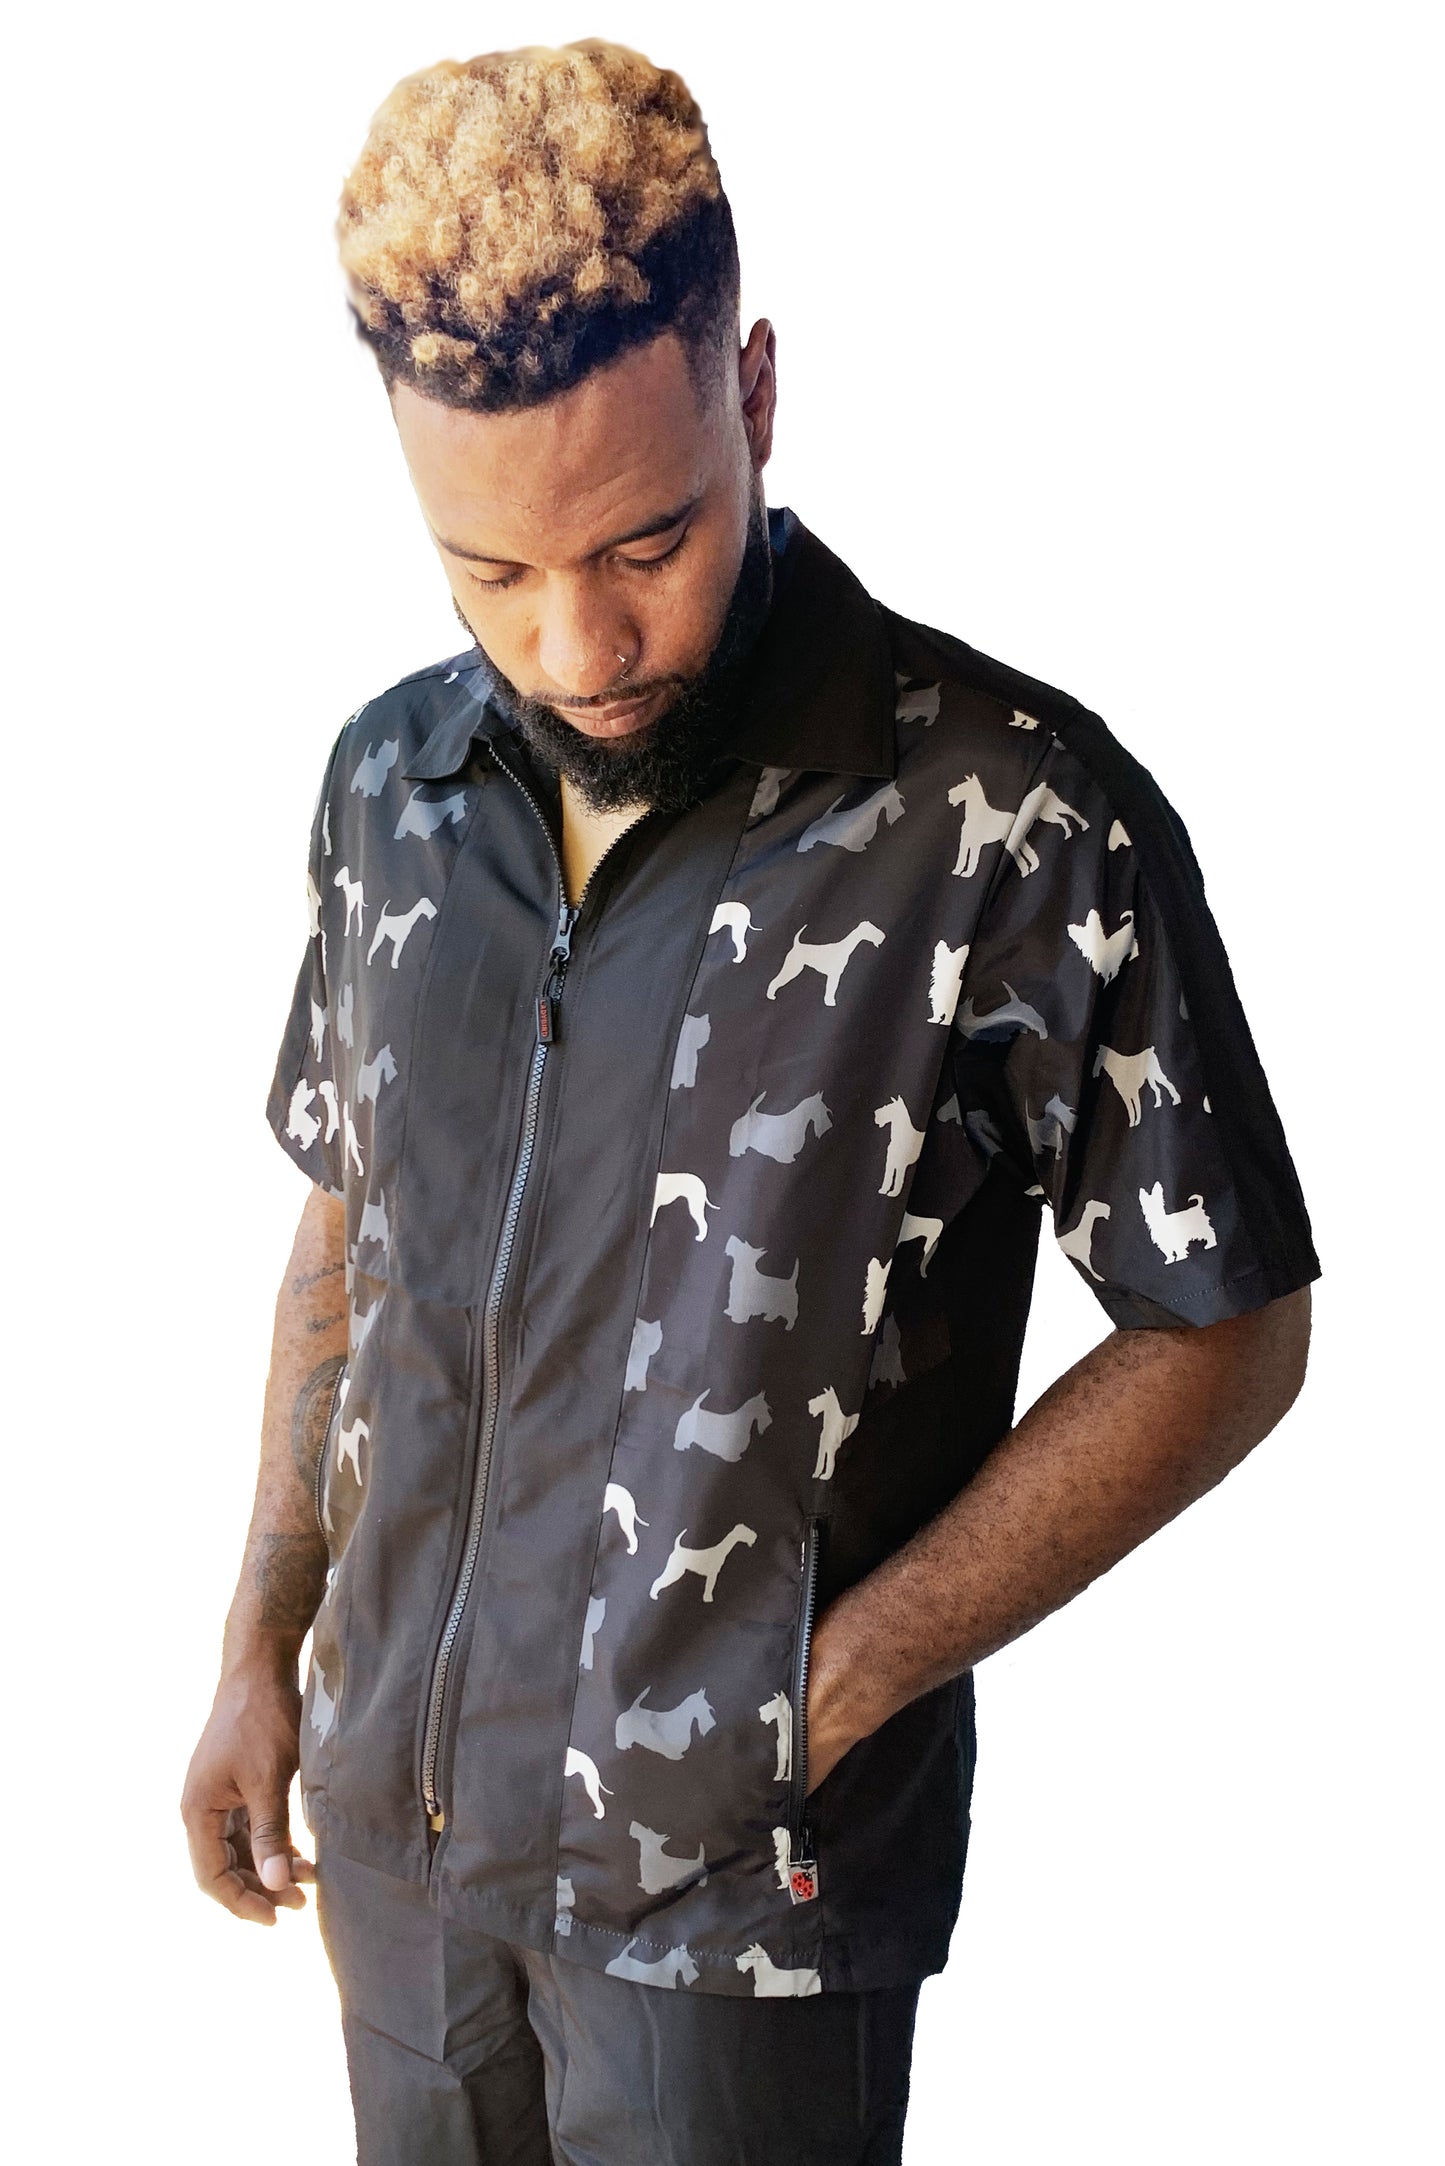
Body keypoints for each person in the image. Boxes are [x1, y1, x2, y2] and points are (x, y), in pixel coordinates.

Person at [181, 38, 1319, 2165]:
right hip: (400, 1863)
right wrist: (264, 1635)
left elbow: (1227, 1321)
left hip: (733, 1901)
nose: (577, 644)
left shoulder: (1004, 816)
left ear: (756, 393)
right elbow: (350, 1216)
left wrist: (842, 1678)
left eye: (647, 541)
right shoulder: (387, 790)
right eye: (489, 572)